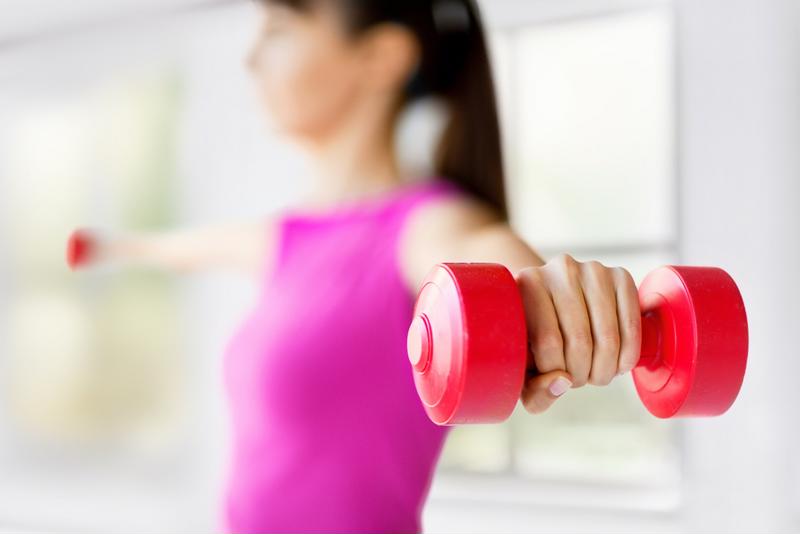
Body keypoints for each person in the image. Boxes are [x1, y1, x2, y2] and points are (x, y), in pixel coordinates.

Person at [69, 0, 642, 532]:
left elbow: (495, 270)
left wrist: (549, 297)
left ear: (379, 57)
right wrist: (115, 247)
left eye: (277, 30)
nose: (249, 59)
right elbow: (194, 246)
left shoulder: (427, 226)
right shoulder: (289, 236)